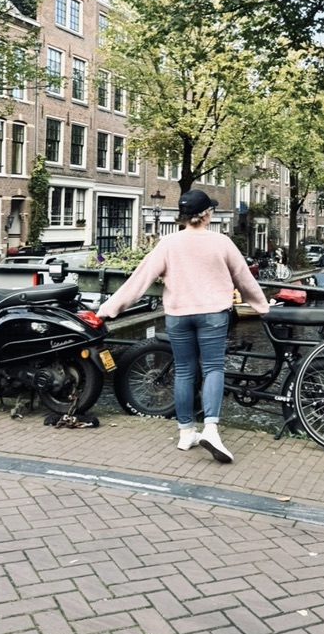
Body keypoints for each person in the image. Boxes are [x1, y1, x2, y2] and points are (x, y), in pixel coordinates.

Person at [97, 189, 270, 463]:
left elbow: (139, 281)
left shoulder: (168, 243)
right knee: (213, 368)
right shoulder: (221, 242)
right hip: (213, 313)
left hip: (178, 314)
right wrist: (262, 307)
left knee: (185, 371)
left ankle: (185, 432)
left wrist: (108, 310)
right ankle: (211, 429)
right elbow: (244, 279)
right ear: (207, 214)